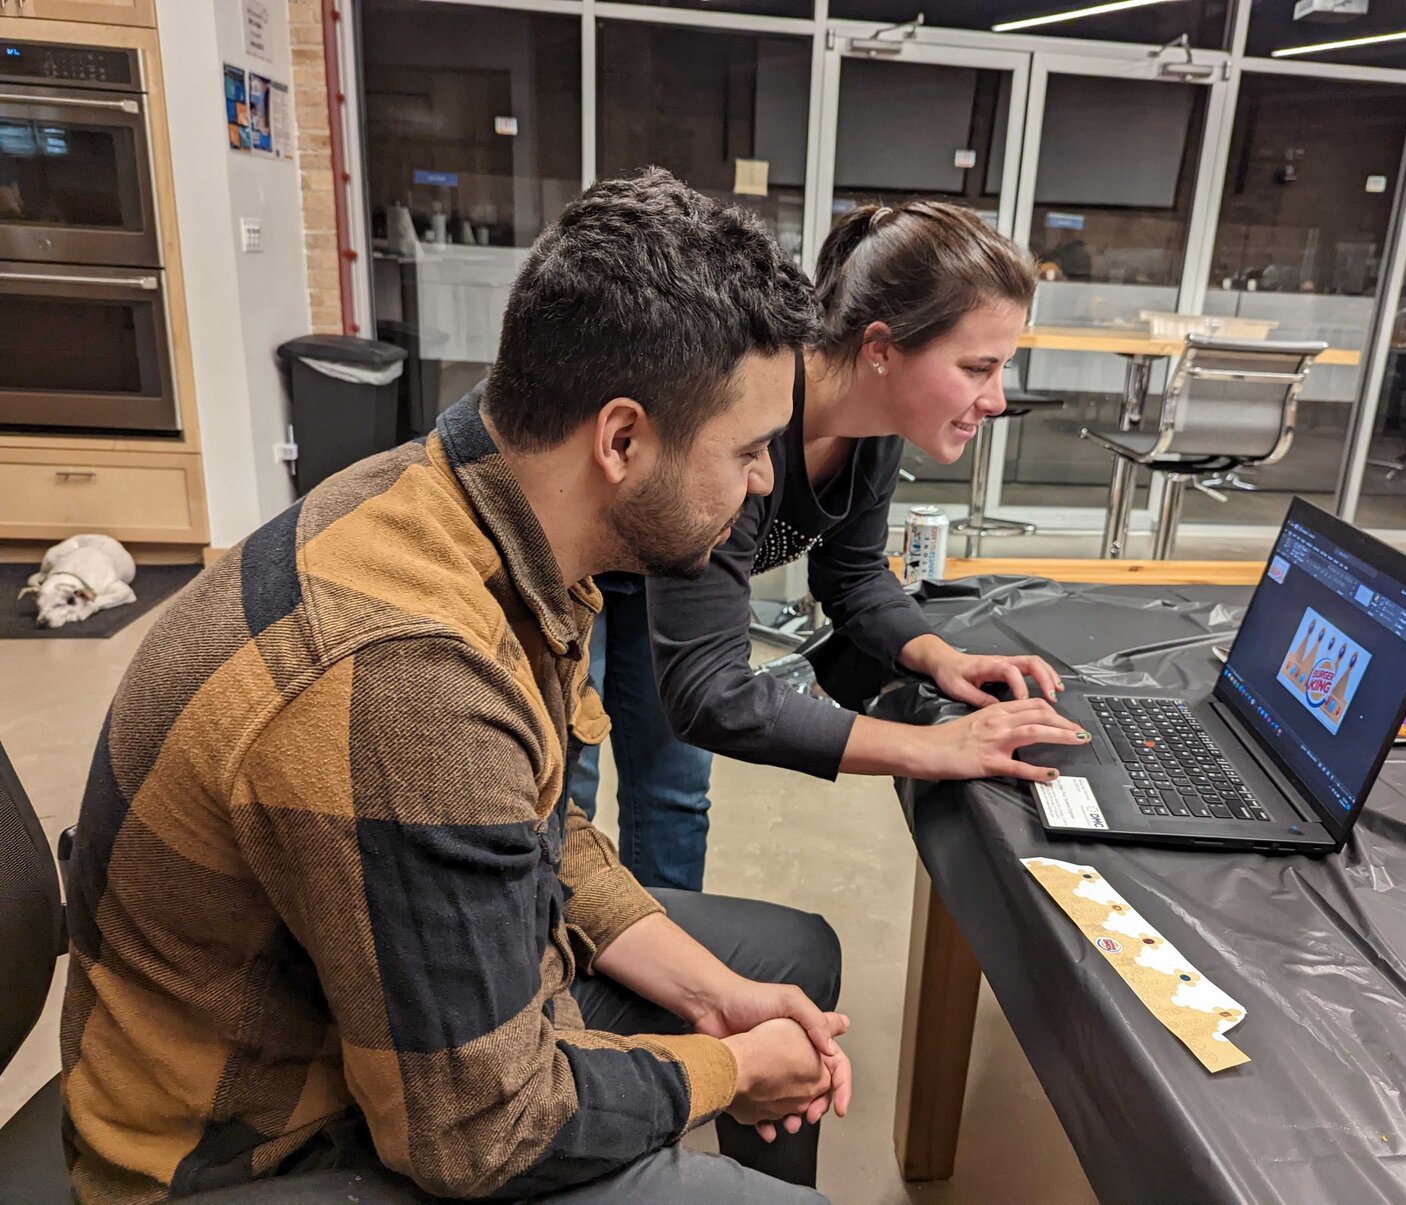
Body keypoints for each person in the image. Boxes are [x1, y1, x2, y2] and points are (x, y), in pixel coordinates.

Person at [59, 171, 851, 1204]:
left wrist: (722, 998)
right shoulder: (410, 677)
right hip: (258, 1144)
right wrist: (733, 1068)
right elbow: (481, 1130)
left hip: (391, 1025)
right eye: (747, 449)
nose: (760, 484)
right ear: (620, 439)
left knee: (790, 961)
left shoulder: (481, 509)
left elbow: (542, 827)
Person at [646, 202, 1091, 884]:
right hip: (591, 574)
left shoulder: (873, 425)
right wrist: (930, 747)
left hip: (668, 575)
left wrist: (942, 657)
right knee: (559, 790)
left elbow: (851, 574)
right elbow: (712, 693)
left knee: (673, 795)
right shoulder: (739, 418)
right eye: (977, 368)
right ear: (881, 347)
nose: (998, 399)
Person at [569, 571, 715, 892]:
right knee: (562, 796)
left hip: (669, 565)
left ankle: (665, 926)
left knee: (676, 795)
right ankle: (555, 932)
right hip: (559, 562)